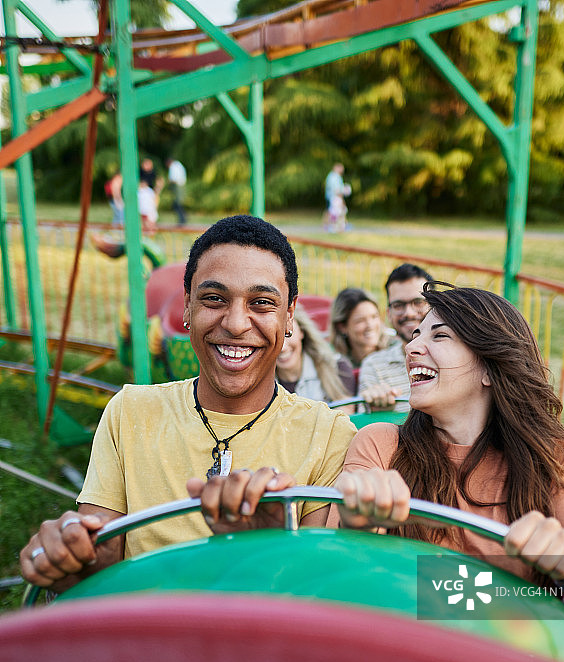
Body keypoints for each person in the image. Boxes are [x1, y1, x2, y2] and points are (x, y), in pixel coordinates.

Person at [20, 215, 356, 593]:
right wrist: (63, 556)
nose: (236, 323)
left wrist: (270, 549)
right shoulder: (130, 411)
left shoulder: (329, 433)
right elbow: (100, 561)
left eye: (261, 303)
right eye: (214, 299)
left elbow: (321, 594)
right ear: (187, 308)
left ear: (290, 314)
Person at [328, 285, 564, 637]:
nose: (411, 347)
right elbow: (338, 578)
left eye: (439, 336)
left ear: (489, 368)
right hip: (404, 648)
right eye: (414, 336)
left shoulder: (553, 460)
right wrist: (357, 525)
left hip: (516, 659)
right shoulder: (381, 444)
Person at [359, 263, 434, 413]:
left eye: (418, 302)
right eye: (399, 305)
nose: (409, 313)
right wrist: (376, 411)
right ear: (389, 313)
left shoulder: (453, 357)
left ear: (435, 307)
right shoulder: (374, 365)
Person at [276, 306, 356, 403]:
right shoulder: (257, 384)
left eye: (287, 334)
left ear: (302, 331)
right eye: (273, 336)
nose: (283, 347)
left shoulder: (337, 368)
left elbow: (345, 415)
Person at [329, 288, 389, 391]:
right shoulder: (334, 362)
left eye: (374, 317)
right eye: (360, 321)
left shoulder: (394, 351)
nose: (370, 325)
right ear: (342, 327)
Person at [324, 163, 351, 233]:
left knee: (330, 211)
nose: (342, 170)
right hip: (335, 197)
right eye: (341, 168)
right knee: (336, 212)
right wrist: (344, 193)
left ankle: (329, 226)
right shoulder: (335, 177)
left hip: (332, 197)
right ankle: (334, 226)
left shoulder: (331, 175)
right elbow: (337, 190)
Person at [166, 157, 187, 225]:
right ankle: (182, 219)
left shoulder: (174, 167)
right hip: (180, 185)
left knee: (178, 203)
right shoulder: (178, 165)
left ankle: (182, 219)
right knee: (178, 203)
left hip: (178, 186)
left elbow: (174, 178)